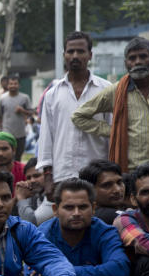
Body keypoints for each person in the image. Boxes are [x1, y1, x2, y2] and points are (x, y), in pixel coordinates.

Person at [73, 37, 149, 171]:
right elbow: (78, 116)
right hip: (131, 171)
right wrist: (114, 131)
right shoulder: (116, 91)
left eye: (143, 56)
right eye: (132, 58)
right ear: (126, 63)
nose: (138, 62)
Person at [37, 32, 112, 197]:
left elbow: (112, 134)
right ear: (64, 55)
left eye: (81, 51)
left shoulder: (107, 90)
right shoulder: (52, 94)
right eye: (70, 52)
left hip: (98, 176)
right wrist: (48, 177)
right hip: (63, 175)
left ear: (90, 55)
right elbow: (46, 138)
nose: (75, 56)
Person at [0, 75, 34, 156]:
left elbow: (31, 112)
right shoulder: (2, 98)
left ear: (19, 85)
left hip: (20, 134)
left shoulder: (25, 98)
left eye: (15, 84)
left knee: (18, 157)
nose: (13, 86)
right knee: (7, 156)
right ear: (7, 85)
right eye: (11, 84)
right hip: (7, 133)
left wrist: (23, 110)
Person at [79, 159, 127, 224]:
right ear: (90, 190)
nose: (117, 190)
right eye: (107, 185)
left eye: (119, 182)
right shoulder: (106, 216)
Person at [14, 158, 52, 225]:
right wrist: (16, 197)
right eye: (28, 178)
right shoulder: (33, 195)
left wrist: (21, 198)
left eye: (36, 176)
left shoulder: (52, 195)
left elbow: (30, 223)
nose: (32, 180)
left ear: (47, 175)